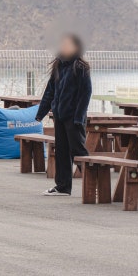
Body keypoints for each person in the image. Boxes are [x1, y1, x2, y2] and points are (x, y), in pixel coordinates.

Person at [35, 34, 92, 196]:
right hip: (59, 116)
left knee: (78, 151)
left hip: (74, 118)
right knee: (62, 151)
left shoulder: (80, 67)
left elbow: (85, 94)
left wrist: (79, 118)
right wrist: (41, 113)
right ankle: (63, 187)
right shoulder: (59, 65)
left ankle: (94, 183)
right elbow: (50, 91)